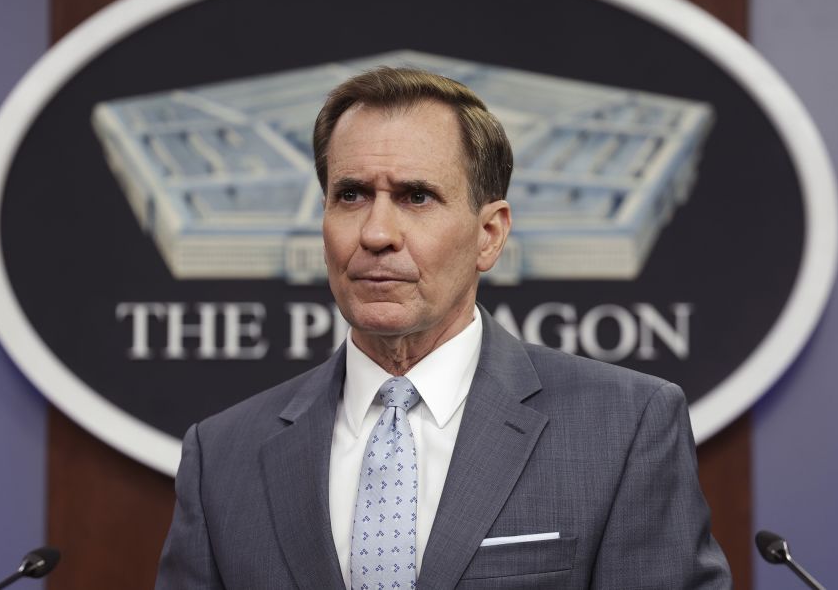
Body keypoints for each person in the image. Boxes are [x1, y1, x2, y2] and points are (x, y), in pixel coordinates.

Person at [155, 67, 732, 589]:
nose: (377, 233)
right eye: (351, 195)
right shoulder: (221, 456)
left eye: (417, 197)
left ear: (489, 235)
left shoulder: (623, 428)